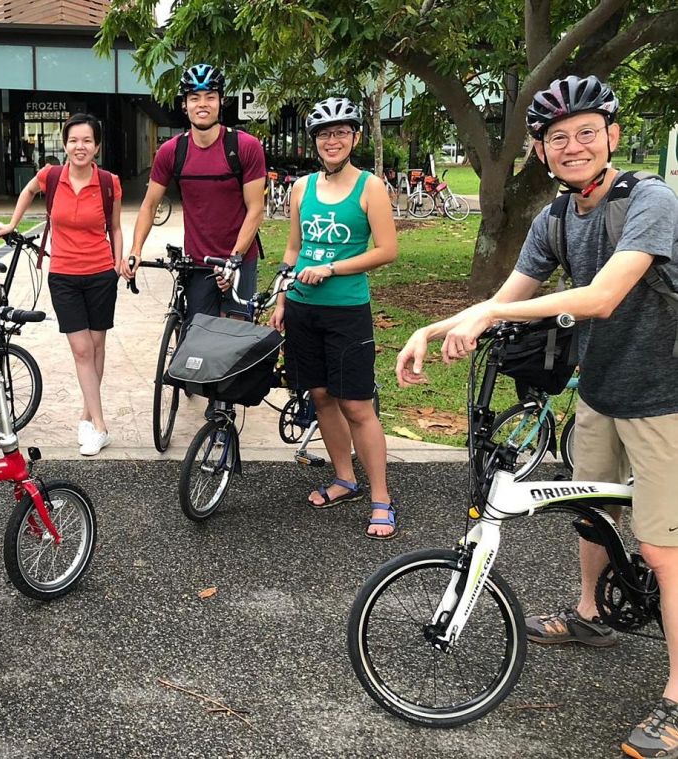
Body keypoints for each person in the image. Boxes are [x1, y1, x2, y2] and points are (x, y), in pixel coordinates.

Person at [394, 75, 678, 758]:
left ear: (611, 135)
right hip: (600, 390)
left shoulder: (649, 200)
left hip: (663, 397)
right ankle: (589, 616)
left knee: (663, 547)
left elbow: (605, 295)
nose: (573, 145)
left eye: (586, 131)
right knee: (590, 510)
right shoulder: (556, 216)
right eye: (558, 137)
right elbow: (507, 292)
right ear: (541, 151)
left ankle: (676, 696)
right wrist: (432, 328)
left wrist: (492, 313)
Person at [267, 97, 398, 538]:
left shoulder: (370, 187)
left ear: (355, 137)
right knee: (320, 396)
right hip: (303, 307)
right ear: (315, 142)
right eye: (325, 134)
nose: (333, 140)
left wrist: (332, 268)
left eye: (342, 132)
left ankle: (381, 498)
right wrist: (282, 297)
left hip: (346, 310)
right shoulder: (301, 188)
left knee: (357, 404)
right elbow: (293, 247)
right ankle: (345, 478)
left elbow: (387, 250)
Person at [0, 113, 123, 455]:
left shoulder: (110, 182)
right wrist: (12, 223)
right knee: (81, 350)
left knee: (97, 348)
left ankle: (86, 414)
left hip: (100, 274)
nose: (80, 147)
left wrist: (119, 262)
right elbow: (27, 190)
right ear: (65, 144)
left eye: (87, 141)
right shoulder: (51, 176)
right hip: (63, 275)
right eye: (73, 141)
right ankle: (100, 426)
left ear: (97, 146)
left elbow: (116, 227)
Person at [121, 63, 266, 322]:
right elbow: (149, 205)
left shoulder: (245, 146)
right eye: (194, 97)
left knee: (234, 342)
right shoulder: (172, 151)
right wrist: (136, 249)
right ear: (184, 105)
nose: (203, 104)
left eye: (210, 97)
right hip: (198, 263)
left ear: (221, 102)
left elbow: (255, 209)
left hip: (239, 259)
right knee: (198, 341)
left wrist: (234, 259)